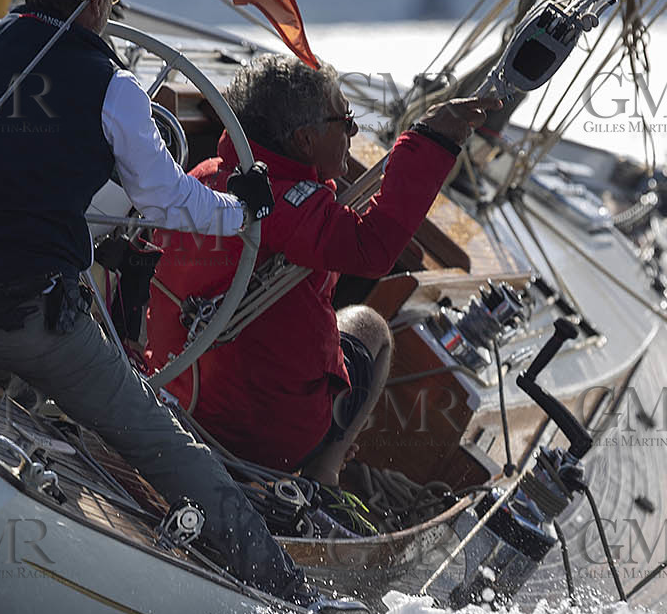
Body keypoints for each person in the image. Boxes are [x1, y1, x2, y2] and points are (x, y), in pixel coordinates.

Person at [0, 0, 314, 604]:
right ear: (97, 2)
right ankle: (284, 591)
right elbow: (166, 201)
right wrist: (243, 209)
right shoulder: (112, 85)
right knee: (162, 441)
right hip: (27, 320)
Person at [145, 54, 498, 486]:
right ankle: (325, 470)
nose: (354, 131)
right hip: (253, 439)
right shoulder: (291, 208)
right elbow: (372, 247)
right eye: (345, 120)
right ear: (305, 140)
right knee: (372, 328)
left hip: (177, 399)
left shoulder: (204, 178)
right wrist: (430, 141)